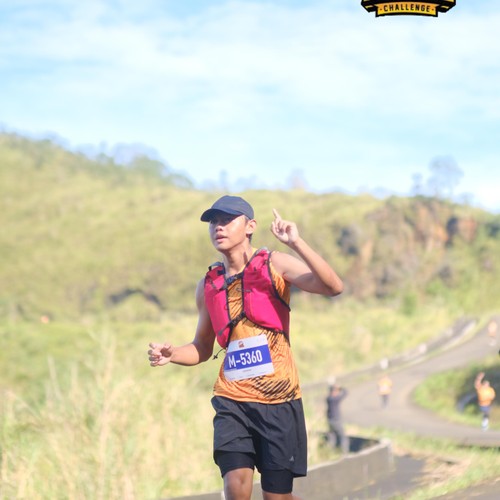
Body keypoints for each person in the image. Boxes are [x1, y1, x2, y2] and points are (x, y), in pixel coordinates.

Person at [148, 195, 344, 500]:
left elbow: (333, 287)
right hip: (232, 399)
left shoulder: (274, 264)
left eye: (227, 220)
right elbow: (202, 347)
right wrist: (172, 355)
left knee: (275, 497)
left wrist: (297, 243)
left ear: (250, 226)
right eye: (213, 222)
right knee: (235, 486)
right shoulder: (209, 284)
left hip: (278, 398)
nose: (218, 227)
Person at [326, 384, 349, 454]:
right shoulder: (335, 399)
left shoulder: (328, 399)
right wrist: (340, 387)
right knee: (342, 436)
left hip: (330, 421)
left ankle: (329, 452)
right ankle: (344, 453)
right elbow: (346, 392)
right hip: (336, 421)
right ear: (333, 392)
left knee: (332, 436)